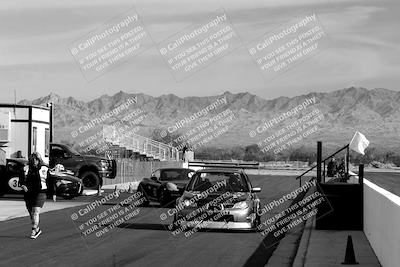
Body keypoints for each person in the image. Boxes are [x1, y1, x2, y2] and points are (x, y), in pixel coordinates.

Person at [20, 152, 54, 239]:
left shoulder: (45, 169)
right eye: (33, 160)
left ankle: (34, 230)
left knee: (35, 212)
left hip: (41, 193)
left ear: (39, 160)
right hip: (28, 194)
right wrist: (23, 185)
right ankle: (37, 228)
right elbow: (21, 180)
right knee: (31, 213)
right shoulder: (25, 169)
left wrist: (53, 193)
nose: (34, 161)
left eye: (36, 160)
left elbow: (50, 181)